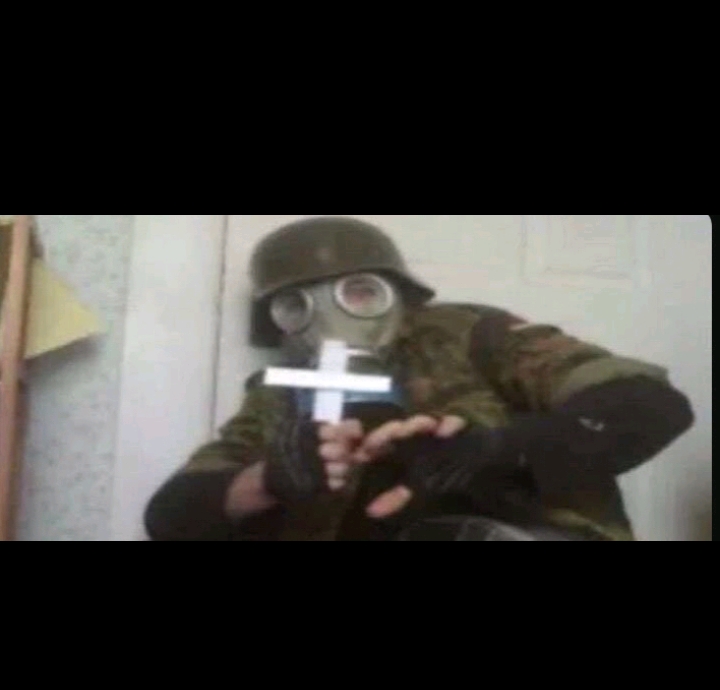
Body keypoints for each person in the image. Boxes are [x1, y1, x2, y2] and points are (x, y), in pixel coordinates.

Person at [144, 217, 694, 542]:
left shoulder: (468, 333)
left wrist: (501, 449)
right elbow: (170, 515)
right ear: (280, 322)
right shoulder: (280, 392)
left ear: (398, 293)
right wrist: (269, 479)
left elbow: (645, 403)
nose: (333, 318)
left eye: (359, 293)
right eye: (297, 306)